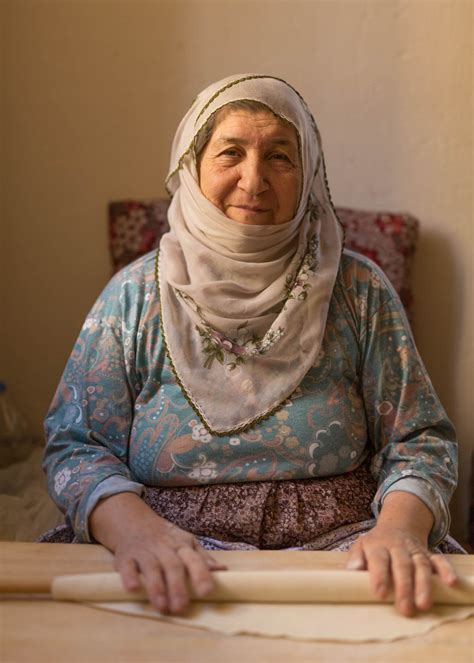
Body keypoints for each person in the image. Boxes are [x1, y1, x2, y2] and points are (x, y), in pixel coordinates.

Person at [43, 74, 461, 618]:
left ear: (307, 172)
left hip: (345, 550)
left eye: (280, 157)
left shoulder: (359, 291)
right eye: (230, 153)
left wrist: (399, 531)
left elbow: (419, 439)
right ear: (193, 167)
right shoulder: (133, 295)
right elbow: (75, 444)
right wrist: (135, 533)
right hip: (170, 551)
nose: (254, 179)